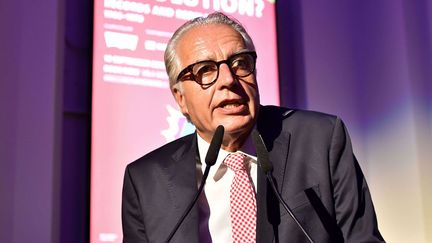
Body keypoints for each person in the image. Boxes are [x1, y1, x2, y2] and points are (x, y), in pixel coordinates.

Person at [122, 12, 384, 243]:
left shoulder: (321, 139)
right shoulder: (145, 180)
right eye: (205, 71)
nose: (228, 80)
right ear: (181, 99)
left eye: (241, 64)